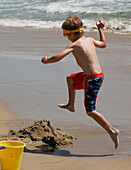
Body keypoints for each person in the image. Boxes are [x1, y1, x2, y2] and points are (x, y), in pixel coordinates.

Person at [41, 16, 119, 149]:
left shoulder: (74, 45)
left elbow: (58, 57)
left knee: (90, 111)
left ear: (71, 33)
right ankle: (71, 105)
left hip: (92, 80)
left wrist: (47, 60)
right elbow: (103, 44)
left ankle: (112, 131)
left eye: (66, 34)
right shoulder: (89, 40)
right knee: (70, 79)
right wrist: (100, 29)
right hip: (95, 76)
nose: (66, 37)